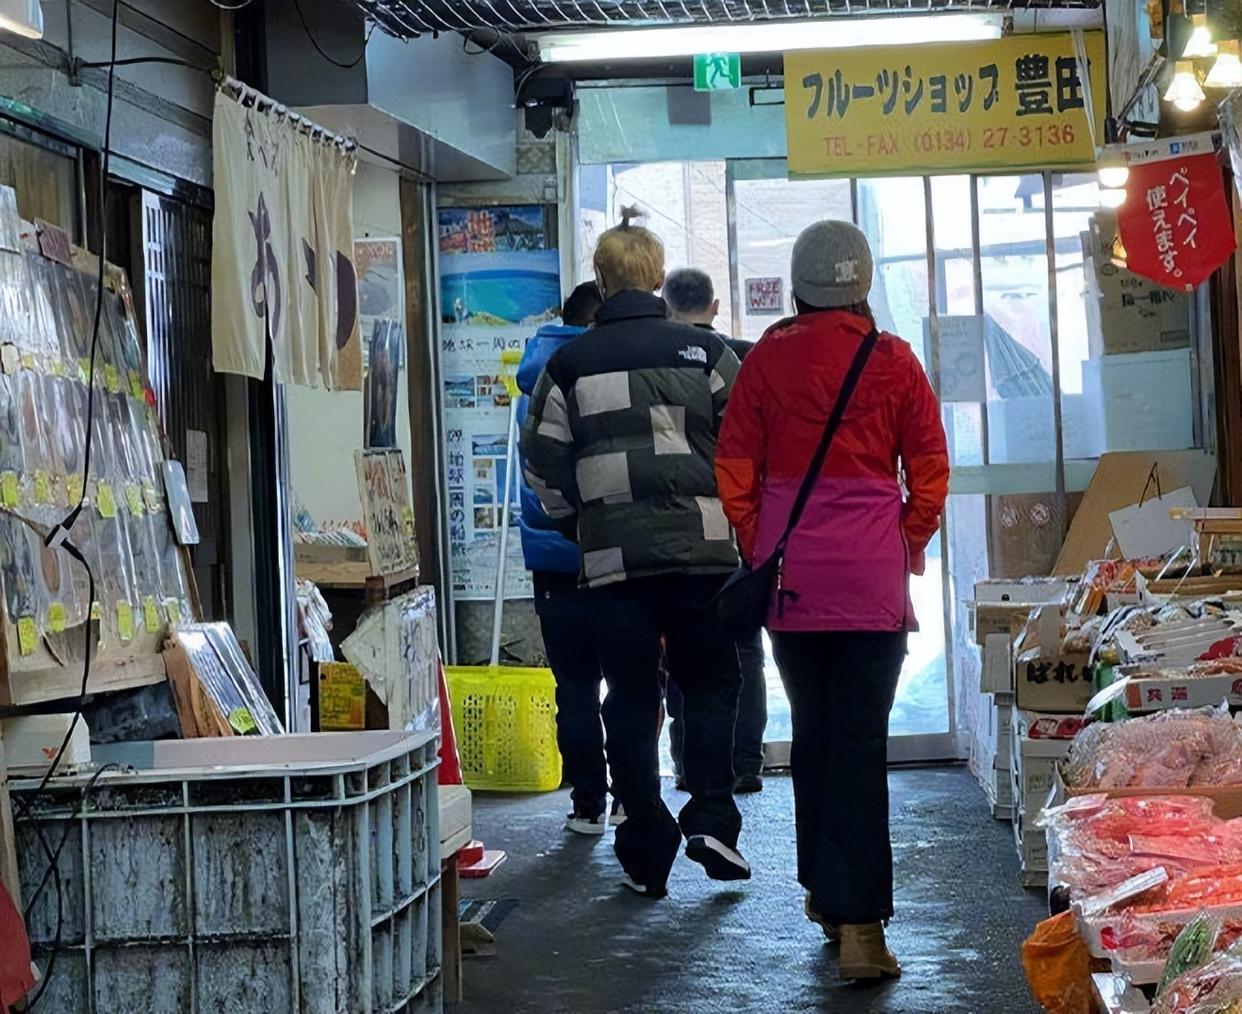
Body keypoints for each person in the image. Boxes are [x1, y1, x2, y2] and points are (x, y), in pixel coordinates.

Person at [715, 220, 949, 980]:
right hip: (870, 582)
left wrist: (762, 541)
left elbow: (736, 467)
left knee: (816, 736)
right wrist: (905, 539)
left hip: (794, 580)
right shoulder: (892, 361)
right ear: (864, 283)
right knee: (857, 745)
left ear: (796, 284)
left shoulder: (766, 361)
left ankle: (826, 895)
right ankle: (860, 928)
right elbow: (930, 465)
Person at [521, 208, 748, 899]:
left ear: (600, 277)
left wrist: (582, 524)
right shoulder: (706, 354)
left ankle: (645, 839)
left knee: (628, 693)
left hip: (613, 561)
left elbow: (542, 468)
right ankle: (710, 813)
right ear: (655, 276)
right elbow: (745, 448)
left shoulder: (565, 365)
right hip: (703, 554)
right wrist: (733, 520)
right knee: (709, 682)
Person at [662, 267, 768, 795]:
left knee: (680, 647)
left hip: (678, 526)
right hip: (739, 524)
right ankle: (746, 762)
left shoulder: (655, 361)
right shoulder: (745, 358)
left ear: (666, 306)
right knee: (744, 648)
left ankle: (688, 765)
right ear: (715, 304)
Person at [515, 281, 613, 835]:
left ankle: (588, 804)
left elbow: (537, 473)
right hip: (616, 551)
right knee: (630, 680)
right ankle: (629, 795)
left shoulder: (535, 375)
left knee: (573, 684)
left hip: (552, 557)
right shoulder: (608, 368)